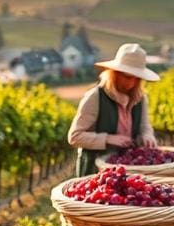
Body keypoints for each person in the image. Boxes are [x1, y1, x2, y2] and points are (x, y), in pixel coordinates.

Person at [67, 43, 160, 176]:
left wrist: (147, 135)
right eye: (127, 77)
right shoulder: (95, 97)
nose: (132, 83)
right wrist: (108, 139)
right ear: (114, 73)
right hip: (95, 172)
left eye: (137, 78)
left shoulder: (140, 98)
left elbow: (144, 126)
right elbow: (74, 137)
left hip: (129, 170)